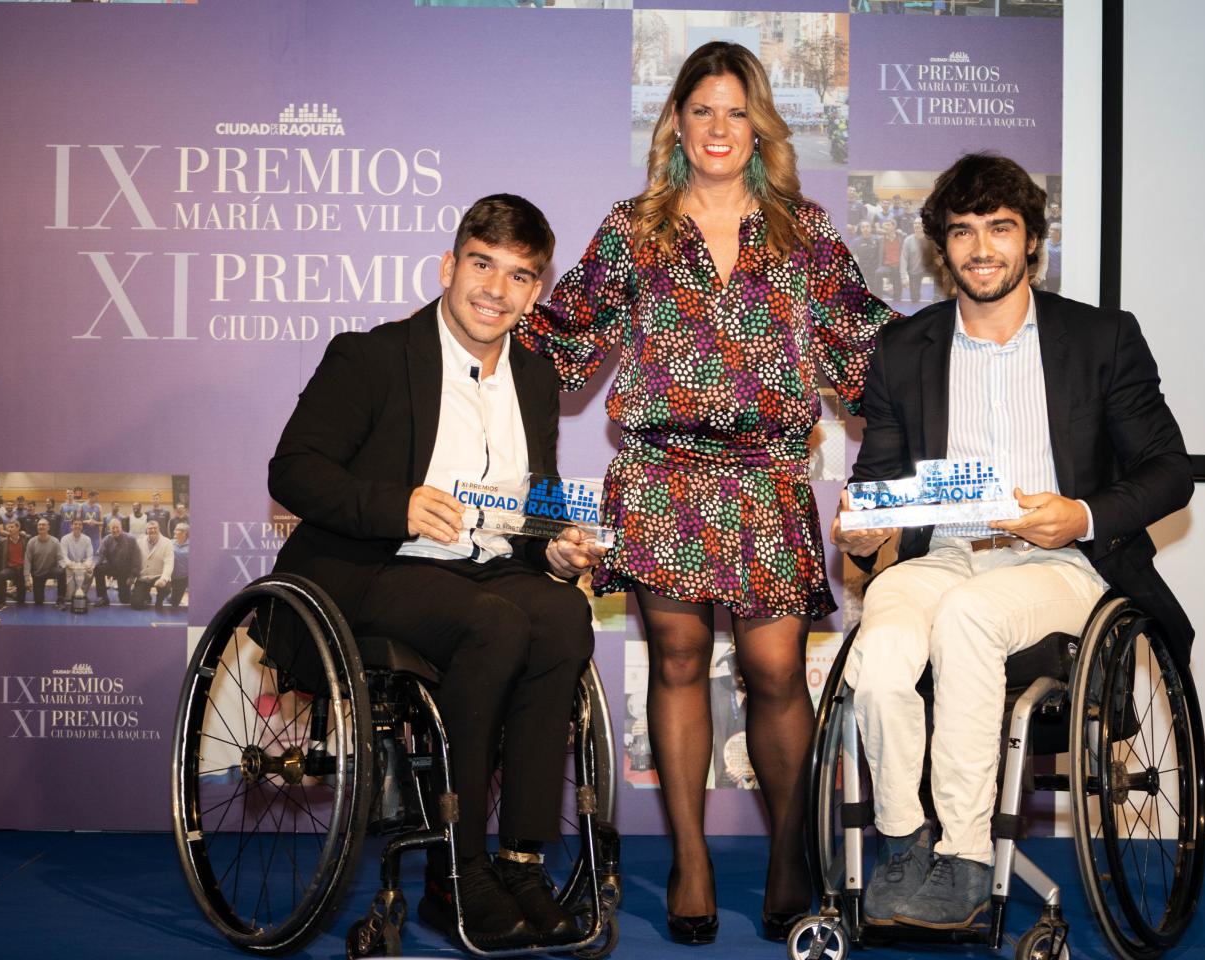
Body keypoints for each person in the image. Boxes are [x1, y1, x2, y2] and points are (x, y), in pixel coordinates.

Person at [516, 41, 895, 944]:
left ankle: (788, 854)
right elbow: (560, 343)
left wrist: (967, 363)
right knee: (678, 664)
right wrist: (463, 331)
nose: (719, 129)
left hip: (766, 482)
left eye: (736, 112)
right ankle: (689, 859)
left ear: (758, 126)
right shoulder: (634, 229)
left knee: (774, 673)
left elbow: (871, 354)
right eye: (702, 111)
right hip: (662, 480)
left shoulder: (803, 231)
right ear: (676, 124)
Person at [830, 152, 1193, 930]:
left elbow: (1169, 472)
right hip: (944, 554)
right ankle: (904, 841)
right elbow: (880, 480)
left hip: (1061, 562)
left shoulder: (1101, 339)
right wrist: (862, 531)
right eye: (962, 232)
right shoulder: (903, 350)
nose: (982, 247)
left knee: (971, 617)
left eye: (1000, 228)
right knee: (884, 642)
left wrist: (1083, 514)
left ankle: (964, 857)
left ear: (1032, 241)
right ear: (941, 248)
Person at [269, 194, 601, 950]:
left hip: (487, 570)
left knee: (563, 614)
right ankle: (457, 868)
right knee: (495, 621)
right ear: (450, 266)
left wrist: (554, 546)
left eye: (520, 276)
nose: (497, 289)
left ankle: (519, 860)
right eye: (482, 264)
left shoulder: (538, 379)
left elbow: (534, 506)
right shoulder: (374, 356)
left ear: (535, 290)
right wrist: (398, 505)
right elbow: (293, 470)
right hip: (380, 568)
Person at [93, 518, 140, 607]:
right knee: (98, 569)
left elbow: (136, 559)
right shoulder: (107, 539)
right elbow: (100, 555)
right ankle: (103, 597)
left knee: (124, 600)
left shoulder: (131, 539)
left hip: (125, 571)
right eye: (112, 528)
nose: (115, 530)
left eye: (117, 527)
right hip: (112, 567)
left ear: (121, 527)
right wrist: (93, 565)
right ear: (109, 529)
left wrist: (132, 576)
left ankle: (134, 591)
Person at [24, 519, 65, 607]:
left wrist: (65, 567)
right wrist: (27, 579)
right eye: (39, 525)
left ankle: (61, 599)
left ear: (48, 527)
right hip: (37, 573)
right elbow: (27, 561)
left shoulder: (55, 541)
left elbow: (60, 558)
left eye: (43, 525)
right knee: (38, 602)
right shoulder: (31, 542)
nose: (41, 527)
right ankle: (39, 596)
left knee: (62, 572)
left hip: (50, 570)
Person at [135, 520, 175, 610]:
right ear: (146, 530)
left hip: (159, 575)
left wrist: (164, 579)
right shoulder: (139, 541)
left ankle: (159, 600)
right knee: (136, 604)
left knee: (166, 587)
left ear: (159, 529)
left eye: (155, 528)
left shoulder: (167, 542)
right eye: (150, 528)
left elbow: (169, 563)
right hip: (143, 576)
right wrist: (132, 576)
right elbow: (135, 560)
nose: (152, 530)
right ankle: (146, 595)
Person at [59, 521, 96, 609]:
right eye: (75, 524)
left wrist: (86, 565)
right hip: (70, 566)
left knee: (90, 571)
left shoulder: (87, 539)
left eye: (79, 524)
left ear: (82, 527)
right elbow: (63, 555)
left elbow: (90, 556)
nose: (77, 526)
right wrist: (70, 564)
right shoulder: (65, 538)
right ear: (71, 526)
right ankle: (72, 591)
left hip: (82, 566)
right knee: (70, 597)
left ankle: (82, 593)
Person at [902, 219, 933, 304]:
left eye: (919, 223)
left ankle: (936, 297)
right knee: (914, 299)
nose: (917, 225)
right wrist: (904, 276)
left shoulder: (930, 239)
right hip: (914, 271)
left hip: (928, 269)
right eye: (915, 223)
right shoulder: (908, 240)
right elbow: (903, 259)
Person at [0, 521, 27, 608]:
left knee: (21, 601)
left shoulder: (25, 539)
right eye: (8, 527)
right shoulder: (3, 542)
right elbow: (0, 557)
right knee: (2, 575)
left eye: (12, 527)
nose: (9, 529)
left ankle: (12, 595)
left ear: (18, 528)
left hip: (22, 569)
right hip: (10, 569)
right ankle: (1, 602)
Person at [166, 523, 190, 610]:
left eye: (177, 530)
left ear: (184, 533)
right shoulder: (170, 543)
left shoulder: (192, 545)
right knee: (163, 592)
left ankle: (173, 595)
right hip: (169, 576)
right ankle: (169, 593)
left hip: (182, 578)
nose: (174, 531)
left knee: (174, 602)